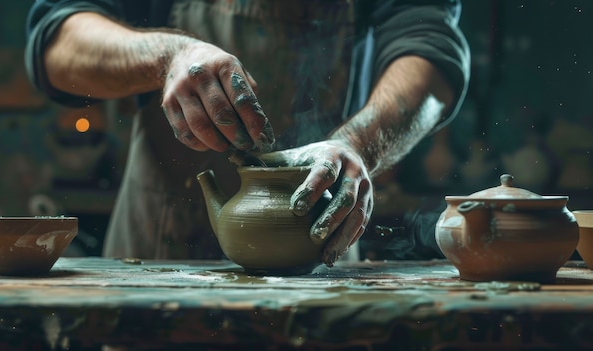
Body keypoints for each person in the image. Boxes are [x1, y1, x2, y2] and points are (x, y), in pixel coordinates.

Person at [24, 0, 470, 267]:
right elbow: (57, 43)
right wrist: (167, 56)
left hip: (320, 237)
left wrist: (359, 143)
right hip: (159, 244)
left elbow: (430, 48)